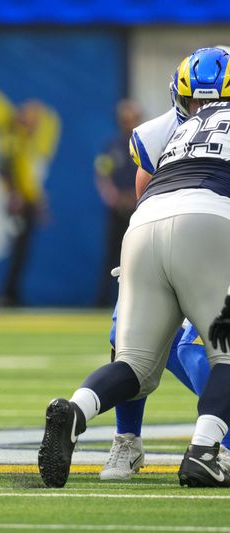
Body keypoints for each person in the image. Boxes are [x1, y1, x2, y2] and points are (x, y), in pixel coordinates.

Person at [38, 47, 230, 488]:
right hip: (207, 222)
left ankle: (77, 409)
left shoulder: (174, 133)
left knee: (136, 364)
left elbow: (149, 194)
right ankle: (204, 451)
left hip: (145, 227)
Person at [100, 48, 230, 481]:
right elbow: (147, 201)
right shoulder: (157, 133)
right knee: (128, 336)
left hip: (210, 242)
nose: (205, 109)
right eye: (196, 101)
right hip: (175, 242)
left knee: (198, 349)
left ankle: (218, 439)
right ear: (180, 98)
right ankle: (127, 440)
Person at [0, 100, 59, 307]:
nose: (35, 124)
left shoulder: (27, 142)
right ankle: (6, 294)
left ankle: (12, 293)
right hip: (18, 203)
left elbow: (29, 178)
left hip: (27, 202)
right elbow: (5, 170)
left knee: (22, 252)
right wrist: (13, 195)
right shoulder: (14, 139)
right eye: (31, 119)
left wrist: (38, 202)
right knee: (17, 250)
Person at [94, 99, 142, 307]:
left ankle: (138, 302)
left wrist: (137, 196)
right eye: (125, 119)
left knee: (141, 255)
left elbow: (153, 173)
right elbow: (102, 173)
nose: (128, 123)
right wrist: (113, 196)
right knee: (112, 254)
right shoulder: (112, 145)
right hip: (118, 208)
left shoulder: (145, 143)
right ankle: (104, 300)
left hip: (140, 208)